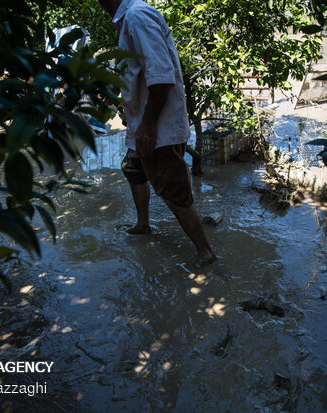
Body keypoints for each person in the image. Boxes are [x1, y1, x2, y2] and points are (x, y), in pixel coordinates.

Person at [97, 0, 217, 267]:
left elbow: (161, 77)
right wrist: (113, 92)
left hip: (157, 127)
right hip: (144, 123)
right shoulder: (128, 20)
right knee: (133, 168)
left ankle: (205, 252)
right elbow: (133, 69)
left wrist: (148, 128)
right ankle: (143, 224)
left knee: (173, 190)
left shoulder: (138, 16)